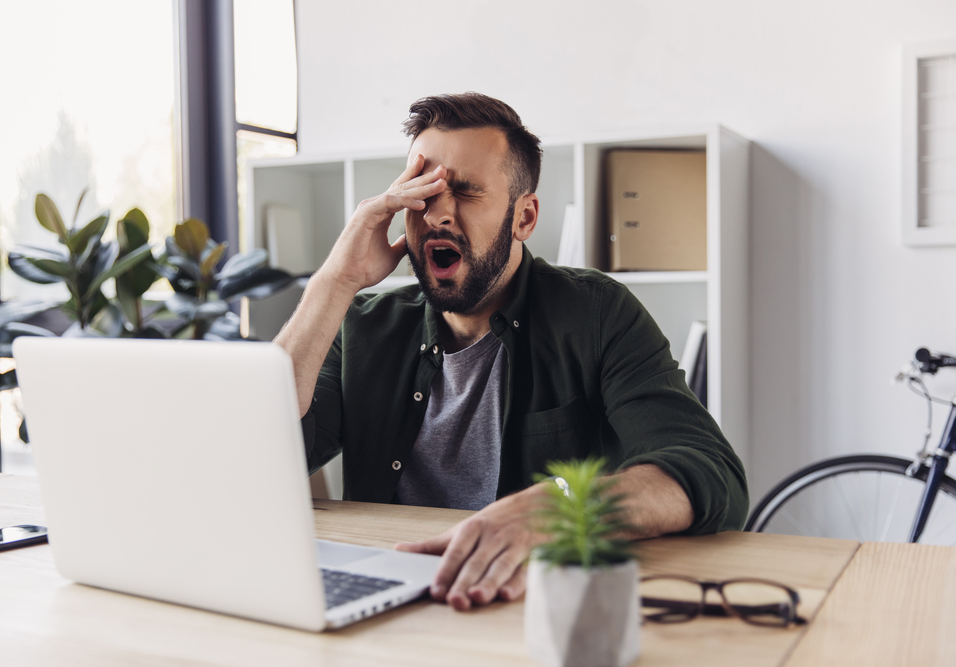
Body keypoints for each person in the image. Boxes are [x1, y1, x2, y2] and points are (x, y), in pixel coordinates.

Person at [274, 92, 748, 611]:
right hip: (390, 598)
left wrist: (564, 507)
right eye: (423, 192)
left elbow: (709, 470)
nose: (437, 215)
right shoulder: (364, 326)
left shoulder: (595, 313)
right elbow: (265, 453)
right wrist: (335, 283)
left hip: (536, 604)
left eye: (466, 192)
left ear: (524, 218)